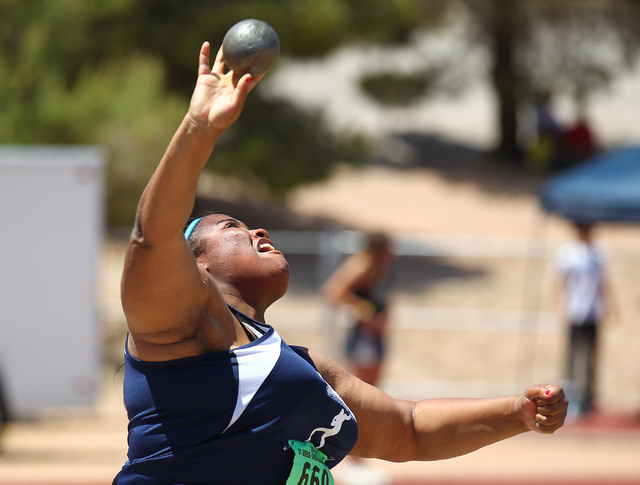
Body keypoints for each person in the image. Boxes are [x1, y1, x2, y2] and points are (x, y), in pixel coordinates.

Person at [113, 41, 568, 485]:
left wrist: (516, 413)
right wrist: (198, 126)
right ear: (198, 267)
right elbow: (152, 238)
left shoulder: (304, 369)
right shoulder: (178, 325)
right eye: (231, 226)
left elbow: (407, 430)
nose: (258, 231)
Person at [554, 222, 613, 416]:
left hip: (593, 310)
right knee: (572, 354)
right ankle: (569, 396)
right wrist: (561, 305)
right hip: (575, 310)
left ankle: (589, 396)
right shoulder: (568, 253)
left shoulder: (599, 252)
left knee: (592, 354)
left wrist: (607, 305)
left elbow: (603, 281)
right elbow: (560, 281)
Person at [322, 232, 394, 387]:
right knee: (363, 383)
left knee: (375, 380)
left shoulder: (379, 266)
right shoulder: (362, 265)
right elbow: (333, 291)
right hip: (363, 331)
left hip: (375, 330)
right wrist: (361, 308)